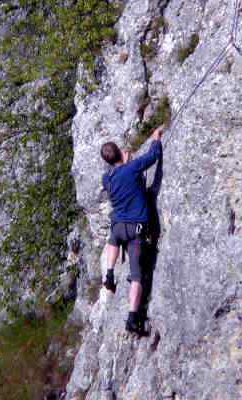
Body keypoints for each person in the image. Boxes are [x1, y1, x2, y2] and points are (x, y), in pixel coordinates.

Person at [100, 125, 164, 334]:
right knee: (136, 276)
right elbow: (152, 157)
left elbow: (121, 175)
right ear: (120, 152)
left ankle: (109, 273)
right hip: (135, 230)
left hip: (118, 228)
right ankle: (132, 317)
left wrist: (125, 162)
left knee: (113, 237)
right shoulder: (132, 167)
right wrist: (155, 138)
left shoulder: (107, 178)